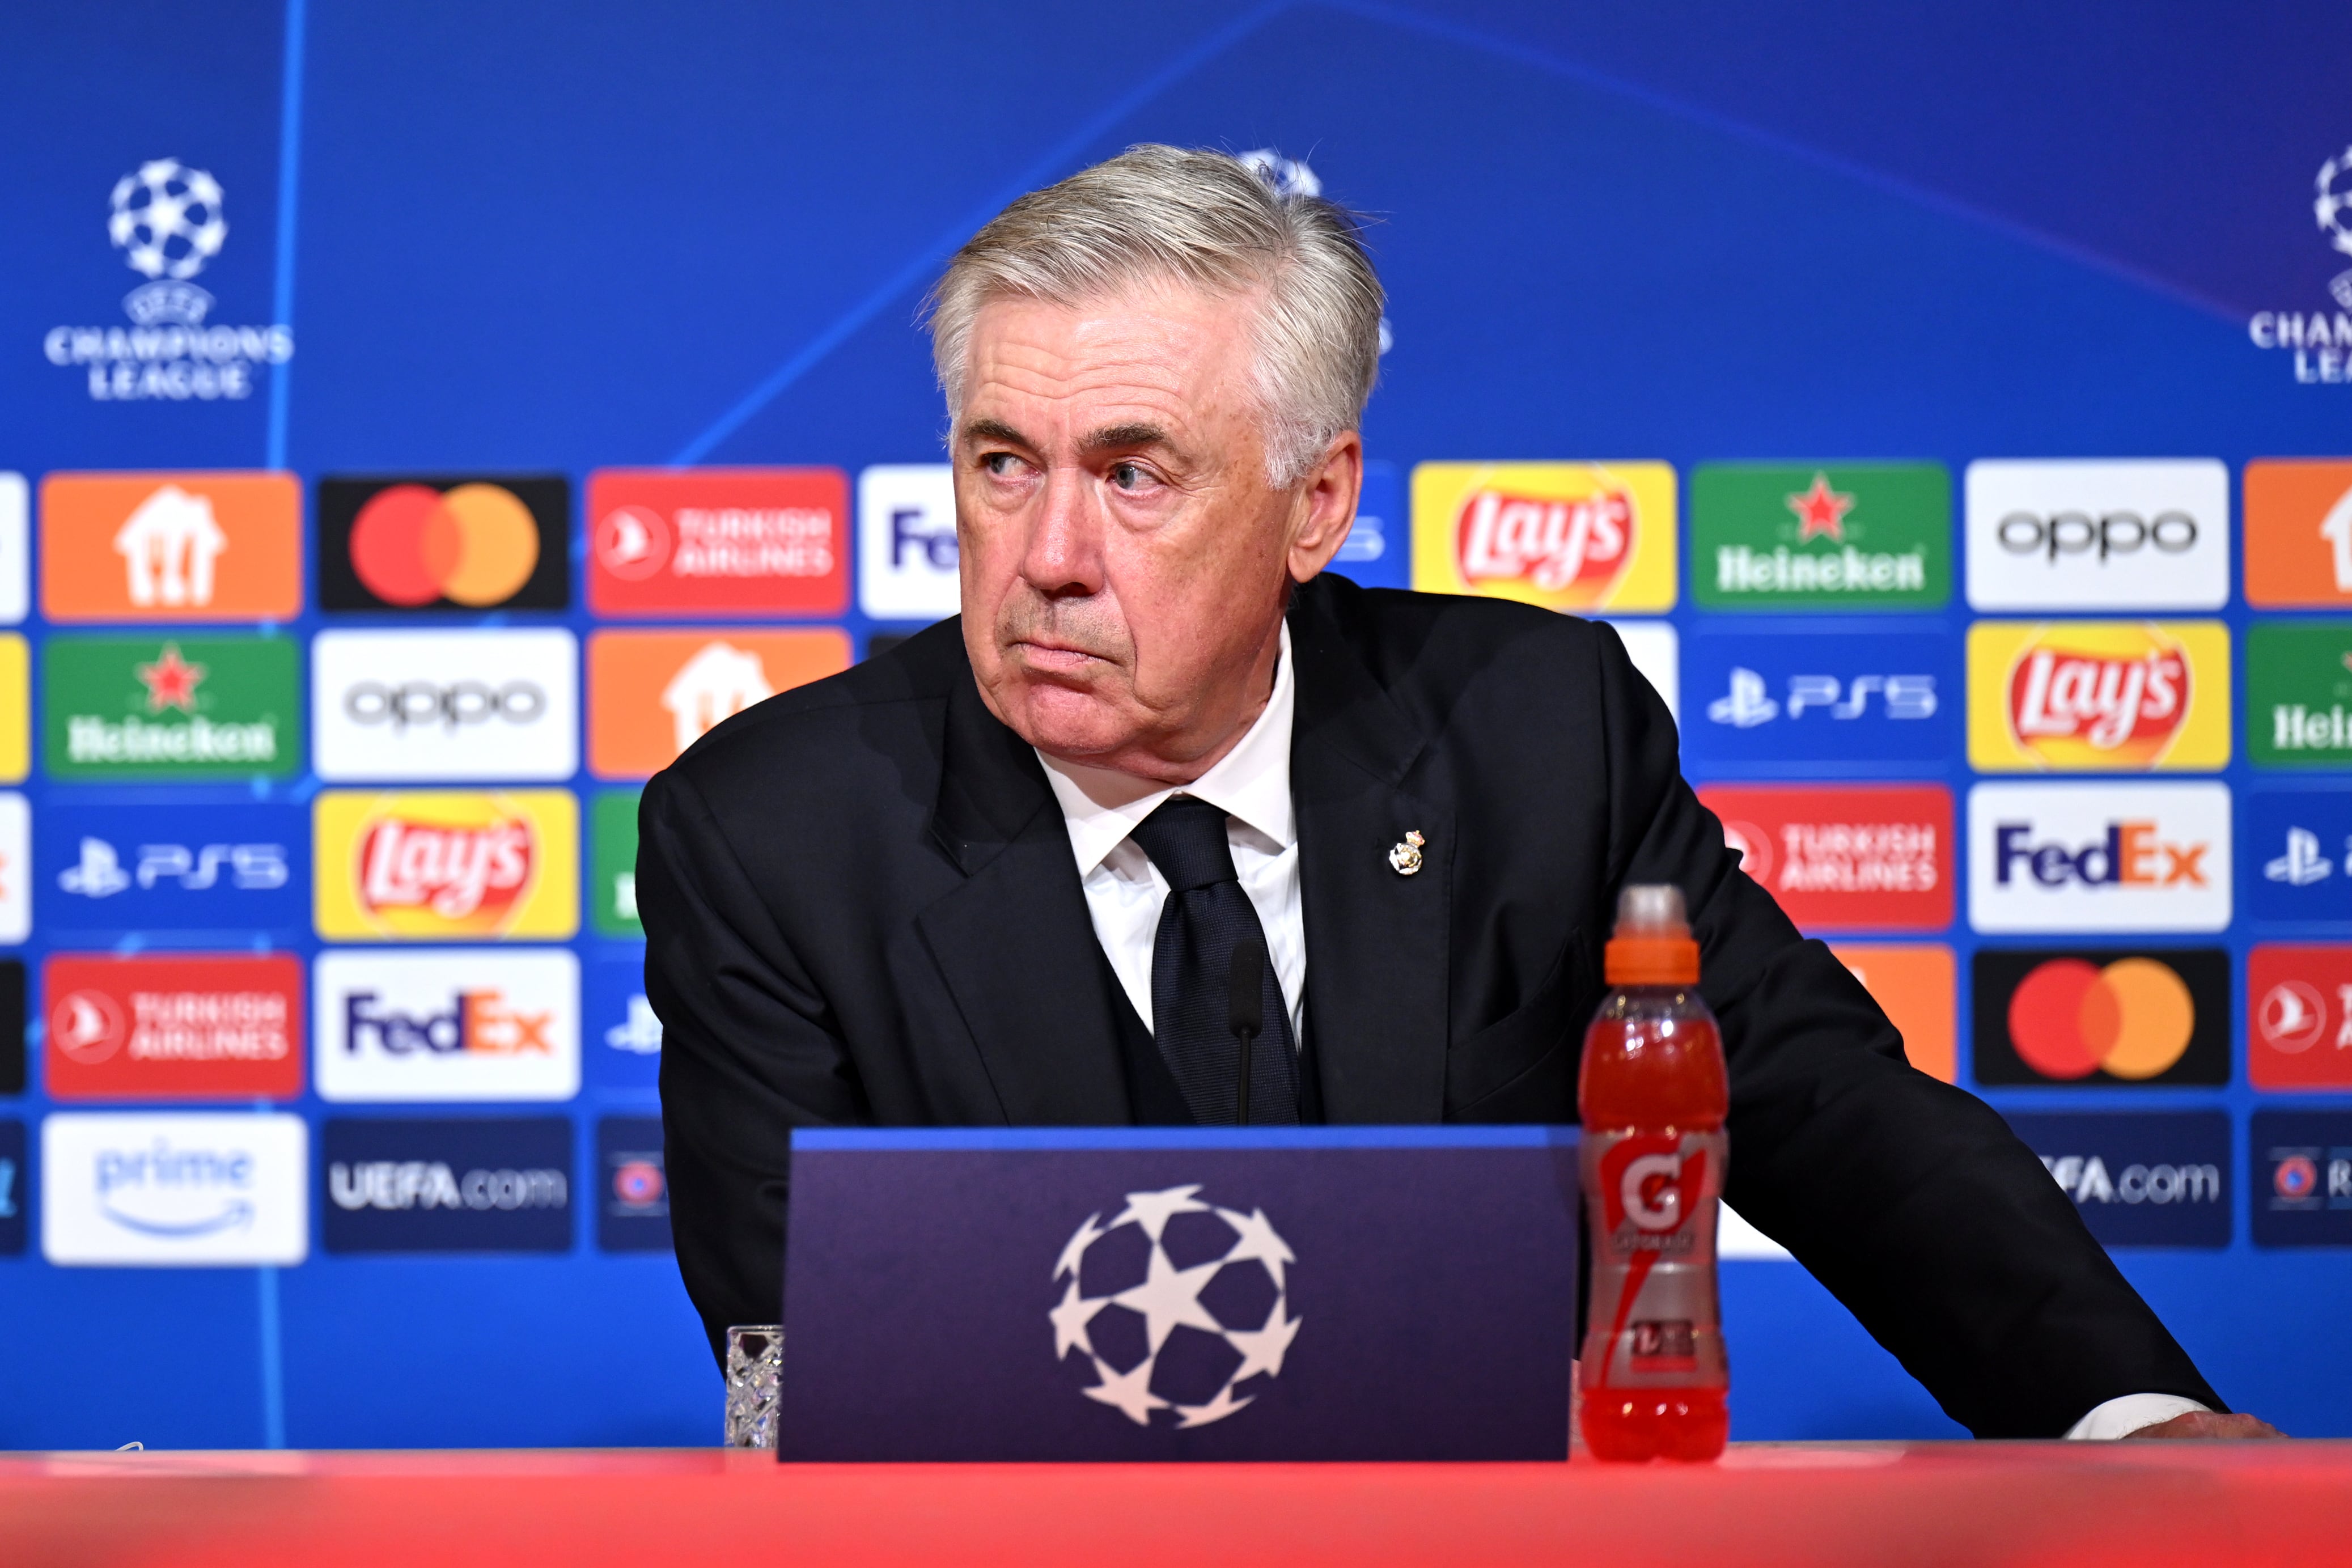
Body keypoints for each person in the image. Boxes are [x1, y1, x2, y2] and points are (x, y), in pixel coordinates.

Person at [639, 145, 2275, 1440]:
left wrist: (2129, 1418)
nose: (1050, 558)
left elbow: (1825, 1110)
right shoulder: (771, 831)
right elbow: (800, 1366)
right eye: (1006, 464)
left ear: (1316, 501)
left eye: (1133, 474)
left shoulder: (1535, 732)